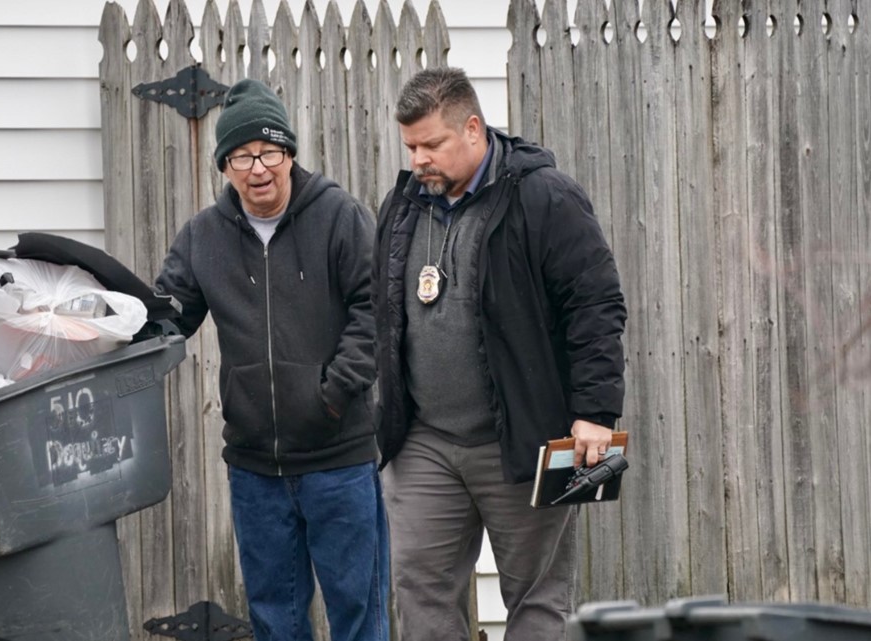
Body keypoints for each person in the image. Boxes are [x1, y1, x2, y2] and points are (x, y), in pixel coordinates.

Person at [373, 67, 626, 640]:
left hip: (521, 438)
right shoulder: (403, 204)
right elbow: (385, 312)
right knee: (420, 593)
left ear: (472, 129)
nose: (419, 159)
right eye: (411, 146)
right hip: (424, 442)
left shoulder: (544, 196)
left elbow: (596, 305)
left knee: (536, 600)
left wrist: (595, 414)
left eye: (432, 144)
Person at [154, 78, 388, 641]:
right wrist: (100, 328)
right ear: (225, 165)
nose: (258, 169)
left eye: (270, 152)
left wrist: (333, 393)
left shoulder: (338, 216)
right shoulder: (203, 237)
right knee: (274, 619)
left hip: (339, 459)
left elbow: (377, 310)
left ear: (289, 154)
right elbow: (166, 317)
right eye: (241, 156)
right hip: (256, 468)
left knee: (358, 613)